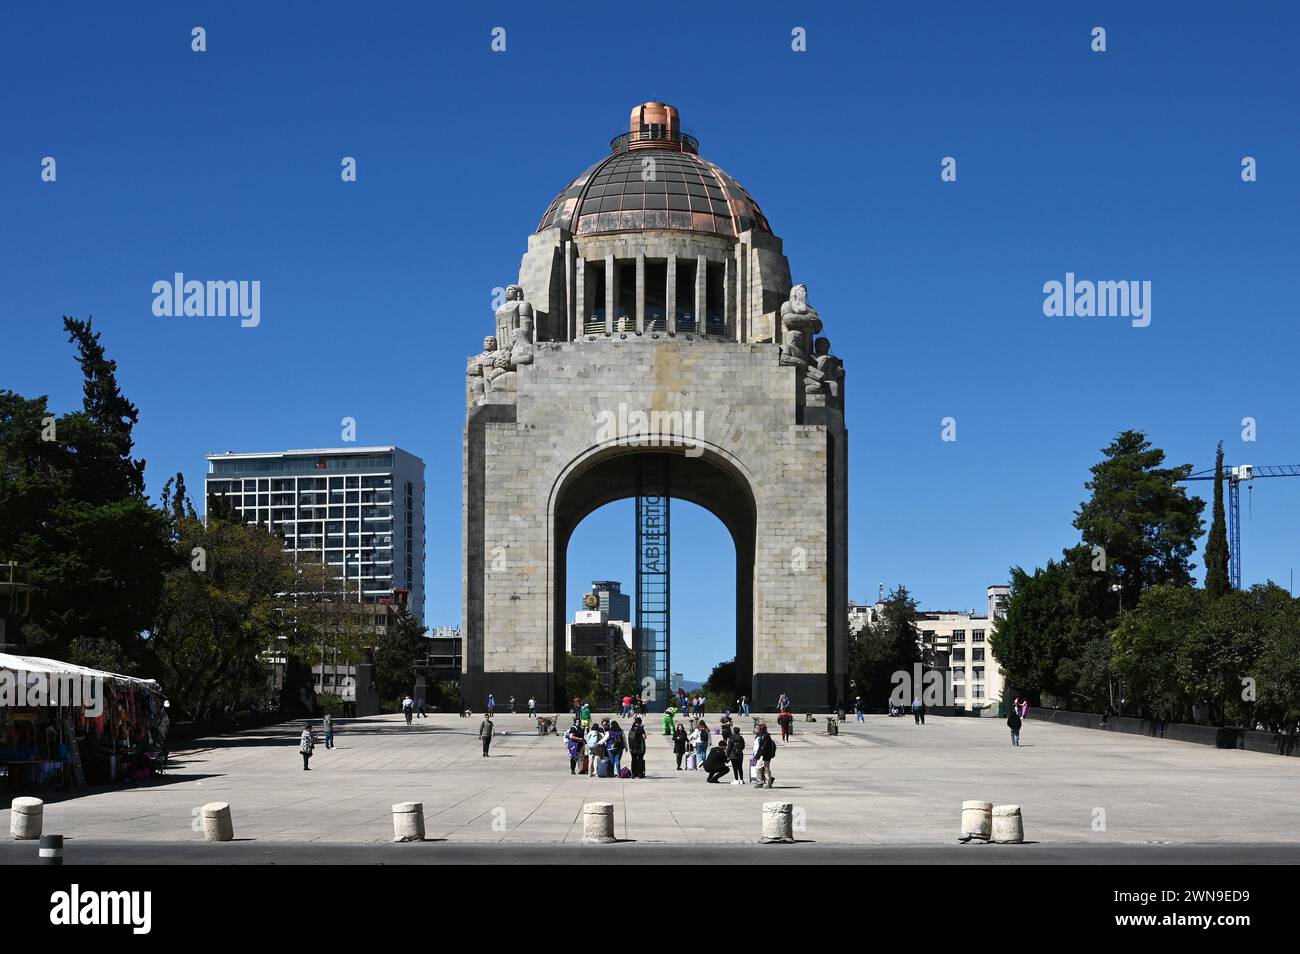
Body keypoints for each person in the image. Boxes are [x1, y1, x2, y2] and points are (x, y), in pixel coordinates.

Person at [752, 723, 776, 788]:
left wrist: (761, 754)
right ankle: (760, 782)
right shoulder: (761, 736)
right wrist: (757, 756)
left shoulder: (767, 736)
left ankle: (768, 783)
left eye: (760, 729)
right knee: (758, 768)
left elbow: (764, 747)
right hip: (761, 756)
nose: (759, 730)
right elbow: (760, 747)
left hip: (765, 756)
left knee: (766, 769)